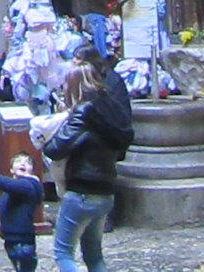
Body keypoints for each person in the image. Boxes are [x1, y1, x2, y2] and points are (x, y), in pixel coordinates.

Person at [43, 59, 134, 272]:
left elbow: (55, 148)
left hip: (82, 191)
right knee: (94, 255)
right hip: (105, 190)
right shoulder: (110, 108)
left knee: (63, 253)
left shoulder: (84, 112)